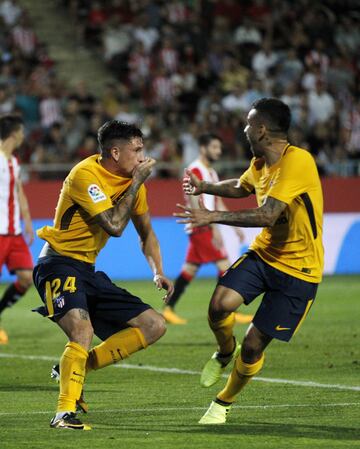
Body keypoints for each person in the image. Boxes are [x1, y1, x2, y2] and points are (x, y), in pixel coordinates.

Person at [175, 98, 324, 424]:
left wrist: (210, 215)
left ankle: (222, 403)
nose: (243, 130)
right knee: (218, 305)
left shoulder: (298, 162)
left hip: (300, 271)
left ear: (261, 129)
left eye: (247, 124)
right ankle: (226, 352)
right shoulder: (260, 164)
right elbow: (242, 187)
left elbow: (268, 214)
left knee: (254, 344)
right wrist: (206, 187)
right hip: (263, 255)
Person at [33, 120, 174, 430]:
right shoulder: (87, 175)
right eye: (136, 150)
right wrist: (136, 182)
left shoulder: (134, 185)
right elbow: (114, 225)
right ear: (115, 151)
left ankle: (74, 368)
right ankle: (63, 413)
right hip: (57, 263)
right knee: (81, 331)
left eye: (142, 150)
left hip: (87, 269)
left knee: (154, 325)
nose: (142, 157)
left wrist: (157, 271)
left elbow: (146, 232)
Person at [162, 133, 253, 325]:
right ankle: (227, 312)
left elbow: (216, 200)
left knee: (189, 270)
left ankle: (168, 309)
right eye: (214, 147)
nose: (218, 151)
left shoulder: (211, 172)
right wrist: (213, 228)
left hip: (204, 225)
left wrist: (233, 226)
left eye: (219, 148)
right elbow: (195, 201)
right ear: (203, 148)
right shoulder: (196, 169)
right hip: (202, 226)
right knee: (226, 267)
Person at [0, 114, 34, 345]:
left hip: (14, 232)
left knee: (27, 277)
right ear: (14, 133)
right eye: (21, 132)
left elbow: (18, 190)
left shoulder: (13, 161)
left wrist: (28, 219)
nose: (23, 136)